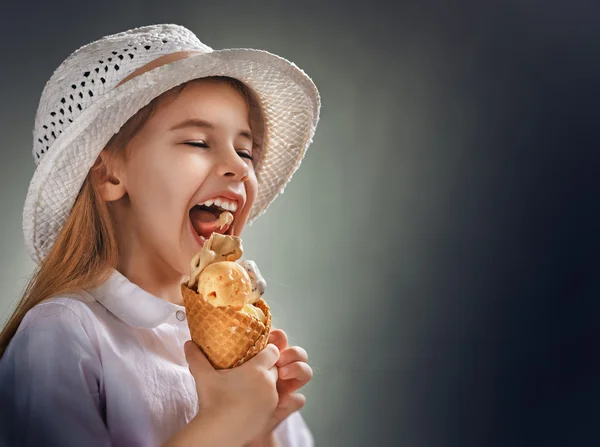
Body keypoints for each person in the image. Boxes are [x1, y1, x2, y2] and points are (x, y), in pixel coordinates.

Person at [0, 24, 320, 447]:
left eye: (246, 150)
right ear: (109, 174)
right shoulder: (62, 335)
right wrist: (226, 421)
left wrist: (260, 433)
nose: (241, 167)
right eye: (197, 142)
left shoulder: (246, 356)